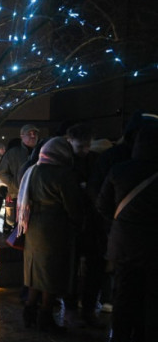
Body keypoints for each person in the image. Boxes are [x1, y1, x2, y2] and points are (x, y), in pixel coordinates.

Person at [96, 121, 158, 342]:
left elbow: (102, 205)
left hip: (125, 243)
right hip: (155, 245)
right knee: (153, 299)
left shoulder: (119, 170)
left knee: (124, 295)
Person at [16, 137, 85, 332]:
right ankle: (45, 316)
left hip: (32, 225)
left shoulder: (33, 170)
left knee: (35, 271)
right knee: (52, 273)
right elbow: (73, 206)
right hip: (55, 227)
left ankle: (29, 311)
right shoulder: (63, 174)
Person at [66, 123, 106, 327]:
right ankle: (75, 308)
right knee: (75, 267)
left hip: (86, 222)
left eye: (87, 146)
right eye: (81, 146)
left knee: (90, 267)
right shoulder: (70, 162)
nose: (85, 150)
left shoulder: (85, 161)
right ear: (69, 141)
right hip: (79, 222)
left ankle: (84, 308)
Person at [0, 124, 39, 230]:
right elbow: (2, 172)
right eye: (29, 134)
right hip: (18, 196)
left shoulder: (41, 152)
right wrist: (14, 185)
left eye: (34, 133)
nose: (33, 136)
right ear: (22, 136)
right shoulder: (13, 153)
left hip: (38, 196)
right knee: (19, 228)